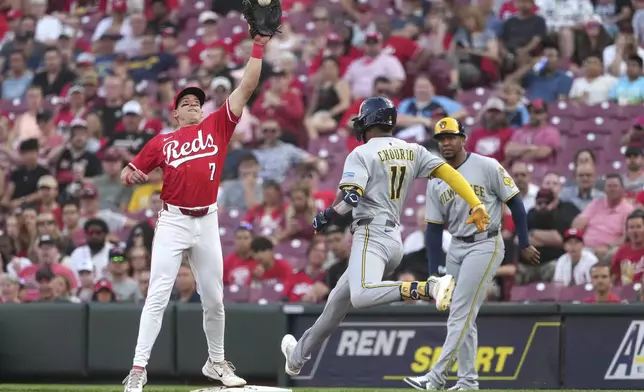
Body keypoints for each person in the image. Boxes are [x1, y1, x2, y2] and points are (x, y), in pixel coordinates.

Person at [279, 97, 491, 377]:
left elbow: (350, 198)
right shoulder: (413, 149)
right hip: (394, 239)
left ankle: (427, 289)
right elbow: (449, 174)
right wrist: (475, 203)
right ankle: (297, 357)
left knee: (363, 295)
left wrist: (327, 215)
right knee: (335, 304)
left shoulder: (361, 153)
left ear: (367, 122)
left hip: (371, 234)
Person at [119, 31, 271, 392]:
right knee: (157, 294)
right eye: (185, 102)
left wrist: (259, 45)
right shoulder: (162, 141)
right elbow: (128, 170)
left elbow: (247, 86)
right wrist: (131, 176)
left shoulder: (217, 126)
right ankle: (138, 370)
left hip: (206, 219)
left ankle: (216, 362)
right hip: (173, 220)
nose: (192, 104)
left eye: (196, 101)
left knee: (215, 298)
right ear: (174, 113)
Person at [404, 117, 539, 390]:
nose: (446, 143)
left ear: (463, 138)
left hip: (486, 242)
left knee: (461, 311)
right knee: (461, 313)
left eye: (451, 137)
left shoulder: (486, 165)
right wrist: (432, 275)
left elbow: (516, 202)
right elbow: (432, 230)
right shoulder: (436, 178)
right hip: (456, 245)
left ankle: (436, 377)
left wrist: (524, 242)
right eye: (441, 139)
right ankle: (467, 382)